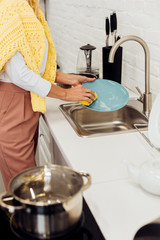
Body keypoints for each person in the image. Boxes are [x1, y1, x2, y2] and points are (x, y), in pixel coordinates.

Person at [0, 0, 96, 190]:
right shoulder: (10, 6)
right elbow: (20, 75)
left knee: (27, 178)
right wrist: (66, 94)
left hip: (25, 99)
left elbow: (32, 65)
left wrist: (68, 78)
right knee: (25, 186)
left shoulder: (29, 6)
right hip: (14, 101)